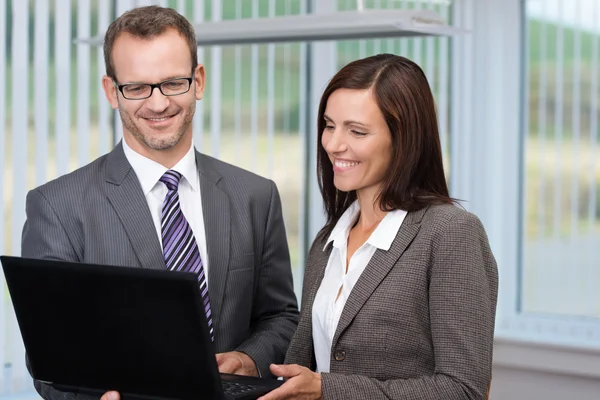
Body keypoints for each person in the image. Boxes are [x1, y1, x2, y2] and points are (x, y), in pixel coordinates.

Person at [21, 5, 298, 400]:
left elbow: (281, 317)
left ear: (198, 81)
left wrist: (248, 359)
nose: (157, 104)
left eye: (172, 83)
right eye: (136, 87)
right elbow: (49, 356)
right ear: (111, 91)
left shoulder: (255, 195)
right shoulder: (58, 205)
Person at [258, 54, 498, 400]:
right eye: (329, 125)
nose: (334, 144)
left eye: (356, 131)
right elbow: (304, 367)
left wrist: (328, 390)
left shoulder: (451, 234)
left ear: (404, 139)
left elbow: (463, 390)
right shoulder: (328, 241)